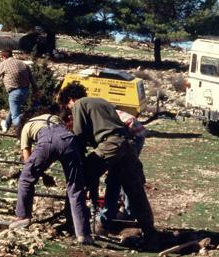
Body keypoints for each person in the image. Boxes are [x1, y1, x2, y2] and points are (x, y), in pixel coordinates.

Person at [58, 82, 158, 247]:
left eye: (67, 106)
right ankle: (150, 232)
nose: (69, 110)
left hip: (111, 145)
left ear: (70, 99)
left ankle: (74, 224)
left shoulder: (80, 105)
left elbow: (80, 136)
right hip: (127, 144)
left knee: (79, 180)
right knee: (134, 190)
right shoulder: (102, 101)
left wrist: (79, 160)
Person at [10, 108, 93, 245]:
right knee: (75, 187)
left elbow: (27, 159)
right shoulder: (53, 116)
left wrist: (42, 175)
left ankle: (23, 217)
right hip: (69, 140)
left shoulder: (26, 127)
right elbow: (62, 137)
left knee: (25, 178)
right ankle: (83, 233)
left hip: (47, 140)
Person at [99, 109, 148, 226]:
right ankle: (127, 213)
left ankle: (109, 215)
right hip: (133, 133)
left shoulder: (98, 117)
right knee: (122, 174)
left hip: (134, 135)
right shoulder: (100, 112)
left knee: (117, 176)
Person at [0, 50, 39, 133]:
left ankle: (28, 125)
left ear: (3, 57)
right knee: (14, 109)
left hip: (14, 92)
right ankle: (6, 125)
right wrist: (36, 90)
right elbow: (32, 79)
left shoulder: (4, 63)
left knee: (15, 117)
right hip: (25, 92)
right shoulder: (23, 64)